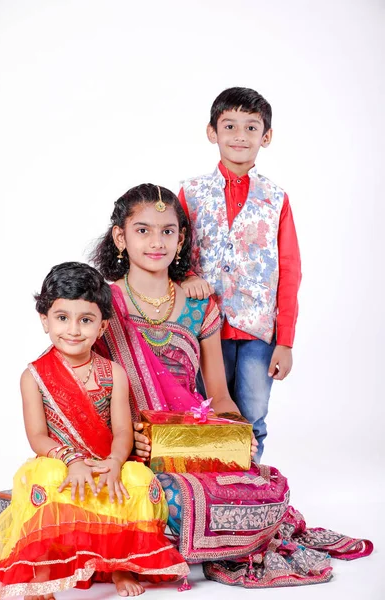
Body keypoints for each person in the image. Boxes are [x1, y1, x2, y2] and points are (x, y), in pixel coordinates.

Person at [92, 184, 372, 589]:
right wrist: (125, 437)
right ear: (121, 237)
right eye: (143, 230)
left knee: (266, 488)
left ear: (181, 237)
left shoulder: (199, 305)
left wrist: (236, 434)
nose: (157, 242)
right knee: (171, 496)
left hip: (189, 439)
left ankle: (198, 540)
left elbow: (218, 396)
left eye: (168, 231)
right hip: (128, 447)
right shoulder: (101, 304)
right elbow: (88, 386)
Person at [0, 262, 188, 600]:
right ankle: (43, 576)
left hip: (103, 462)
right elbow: (37, 436)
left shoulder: (114, 373)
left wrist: (114, 461)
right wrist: (72, 462)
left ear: (102, 326)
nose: (74, 330)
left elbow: (122, 429)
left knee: (137, 480)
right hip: (62, 464)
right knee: (46, 477)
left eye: (86, 320)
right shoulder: (34, 376)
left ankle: (121, 565)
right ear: (44, 321)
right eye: (62, 318)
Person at [178, 87, 302, 461]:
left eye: (251, 128)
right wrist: (185, 276)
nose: (239, 136)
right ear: (212, 132)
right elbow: (173, 249)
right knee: (203, 412)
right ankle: (207, 490)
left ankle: (245, 490)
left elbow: (290, 269)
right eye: (229, 125)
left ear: (266, 137)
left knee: (252, 414)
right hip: (202, 324)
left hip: (258, 330)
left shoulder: (276, 198)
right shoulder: (191, 192)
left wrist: (286, 340)